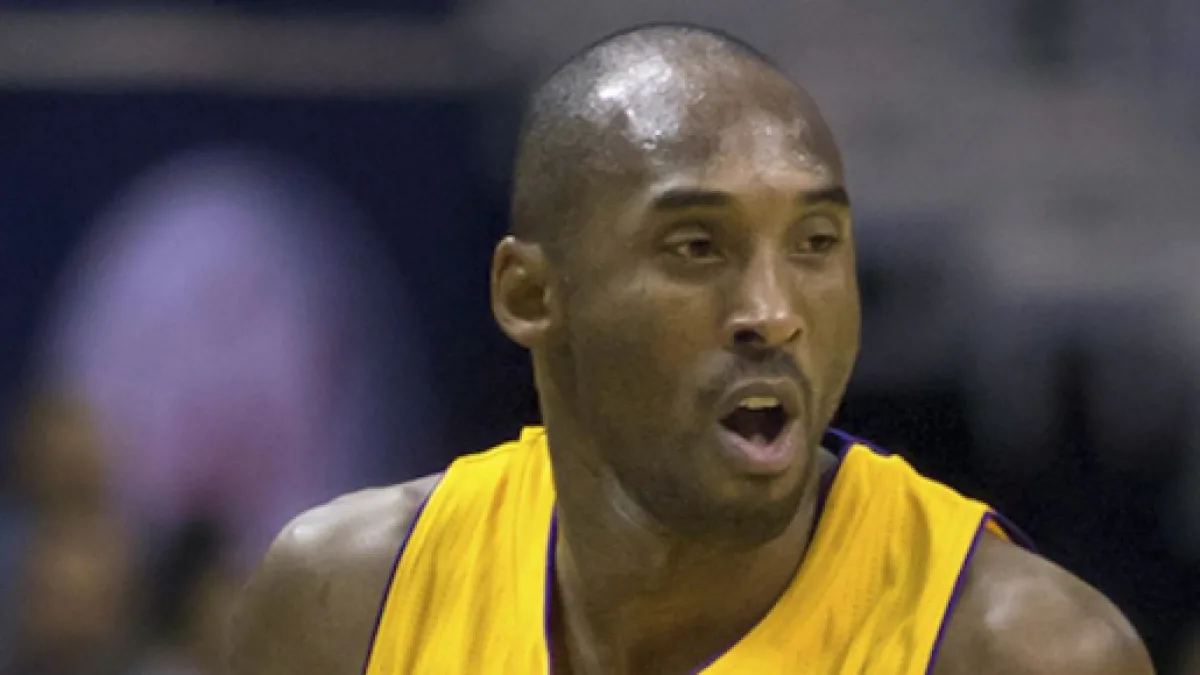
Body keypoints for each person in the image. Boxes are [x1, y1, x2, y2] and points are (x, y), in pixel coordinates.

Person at [227, 23, 1154, 675]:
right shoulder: (348, 603)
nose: (773, 312)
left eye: (815, 244)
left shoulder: (1015, 650)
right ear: (530, 294)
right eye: (696, 247)